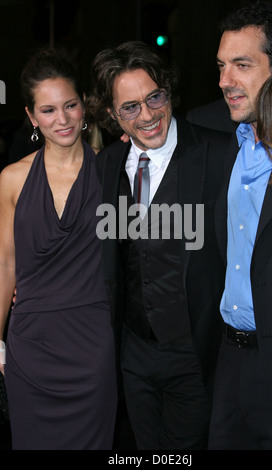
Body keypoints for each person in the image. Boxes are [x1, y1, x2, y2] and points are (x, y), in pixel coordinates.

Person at [88, 40, 232, 450]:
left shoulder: (220, 153)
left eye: (154, 97)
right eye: (130, 106)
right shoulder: (107, 165)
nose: (148, 115)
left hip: (196, 355)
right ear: (113, 114)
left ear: (167, 91)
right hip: (133, 354)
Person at [0, 49, 117, 450]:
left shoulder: (113, 172)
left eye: (70, 105)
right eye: (48, 110)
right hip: (31, 345)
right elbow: (5, 265)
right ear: (32, 117)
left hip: (93, 343)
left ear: (84, 104)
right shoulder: (12, 179)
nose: (62, 119)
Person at [209, 0, 272, 449]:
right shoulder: (227, 142)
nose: (226, 81)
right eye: (222, 66)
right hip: (229, 360)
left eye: (242, 65)